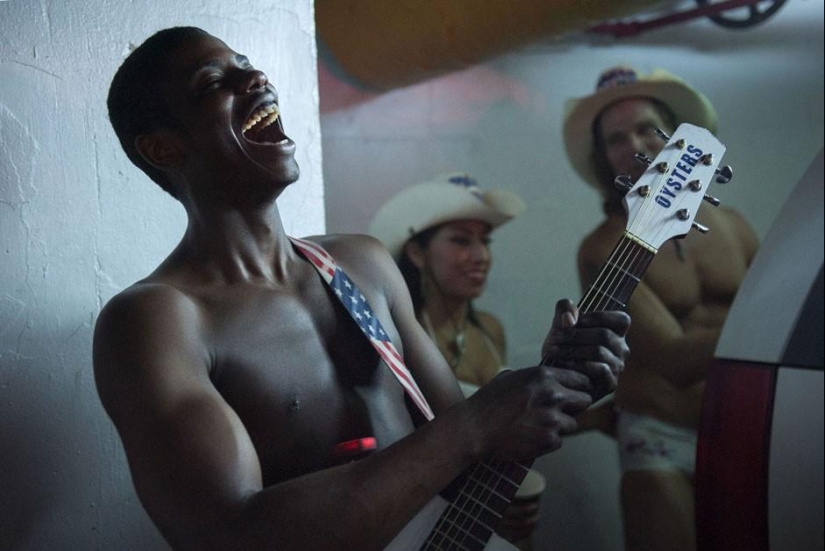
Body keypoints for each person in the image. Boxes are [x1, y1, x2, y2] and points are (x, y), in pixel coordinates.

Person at [93, 26, 631, 551]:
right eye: (214, 82)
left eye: (246, 65)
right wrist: (476, 421)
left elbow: (469, 461)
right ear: (163, 149)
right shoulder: (157, 320)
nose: (255, 78)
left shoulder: (362, 265)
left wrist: (554, 384)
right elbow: (231, 534)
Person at [562, 66, 759, 551]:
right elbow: (673, 359)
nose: (634, 143)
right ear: (604, 158)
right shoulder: (602, 250)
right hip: (659, 438)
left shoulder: (733, 225)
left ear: (678, 139)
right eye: (615, 138)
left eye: (647, 127)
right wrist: (766, 321)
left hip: (744, 432)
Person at [369, 173, 544, 549]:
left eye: (485, 240)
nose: (480, 255)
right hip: (432, 522)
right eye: (461, 240)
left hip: (500, 508)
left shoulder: (491, 331)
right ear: (416, 253)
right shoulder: (402, 340)